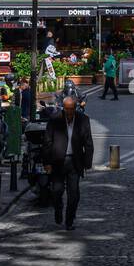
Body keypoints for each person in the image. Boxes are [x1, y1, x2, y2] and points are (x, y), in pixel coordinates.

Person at [42, 88, 94, 230]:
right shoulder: (55, 120)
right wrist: (46, 162)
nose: (69, 113)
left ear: (75, 108)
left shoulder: (83, 120)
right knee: (56, 191)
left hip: (75, 162)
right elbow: (47, 142)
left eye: (72, 109)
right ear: (63, 108)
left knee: (74, 194)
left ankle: (69, 221)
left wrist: (87, 163)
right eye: (67, 109)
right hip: (58, 161)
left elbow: (88, 142)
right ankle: (58, 210)